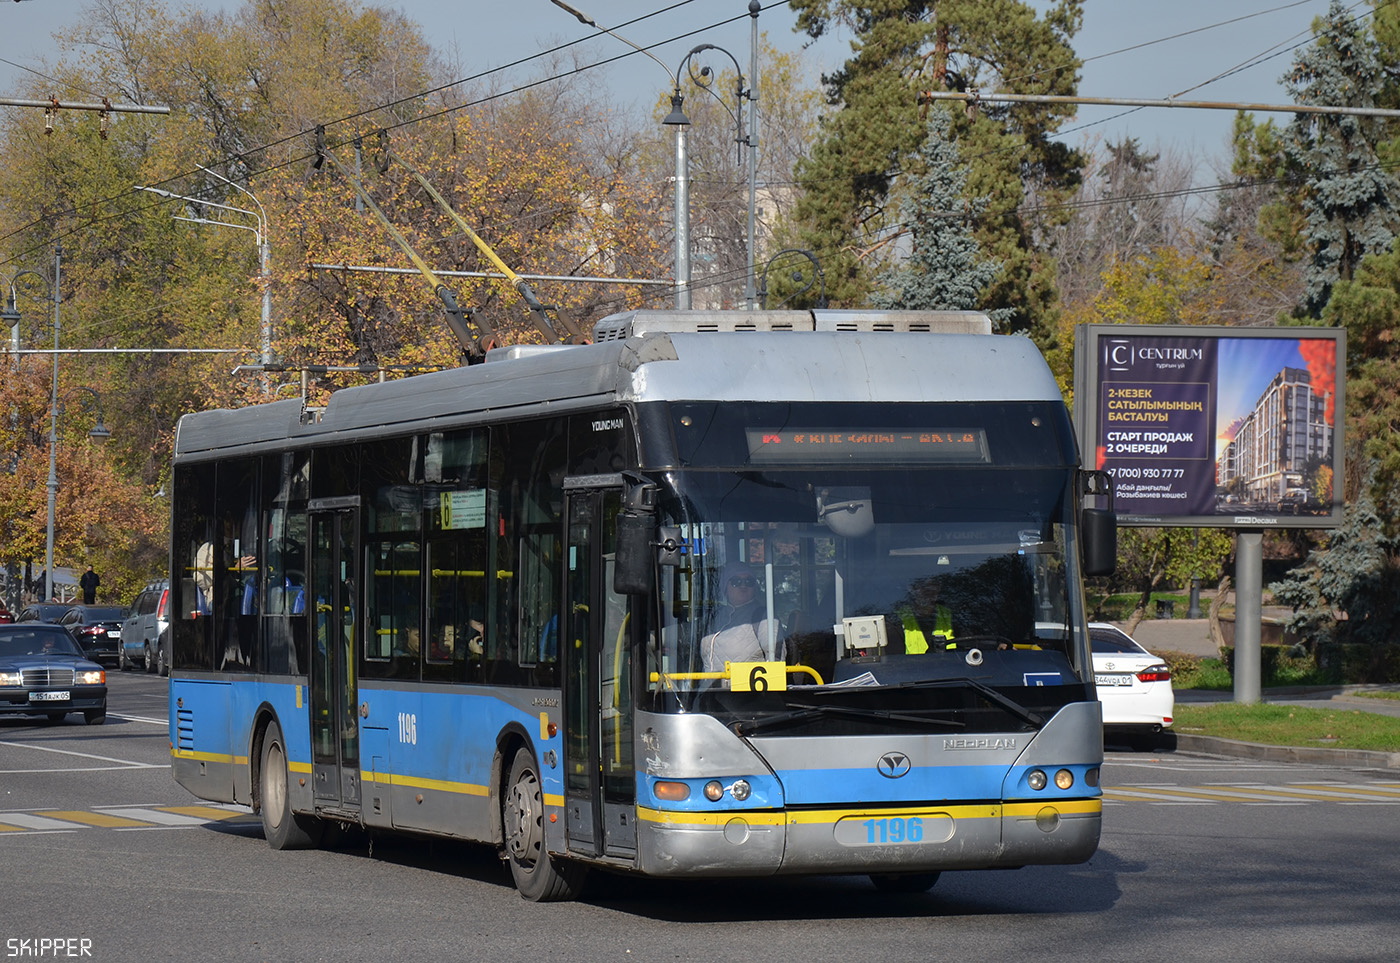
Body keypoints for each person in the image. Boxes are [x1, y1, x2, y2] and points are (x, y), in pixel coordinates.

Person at [700, 563, 781, 672]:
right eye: (736, 581)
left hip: (746, 687)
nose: (743, 586)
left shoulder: (764, 616)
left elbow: (776, 661)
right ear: (725, 587)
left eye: (749, 582)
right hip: (710, 688)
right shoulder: (715, 616)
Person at [899, 581, 954, 654]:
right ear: (911, 589)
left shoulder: (954, 617)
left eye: (932, 585)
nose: (928, 590)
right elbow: (892, 661)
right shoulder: (897, 620)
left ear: (938, 588)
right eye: (922, 585)